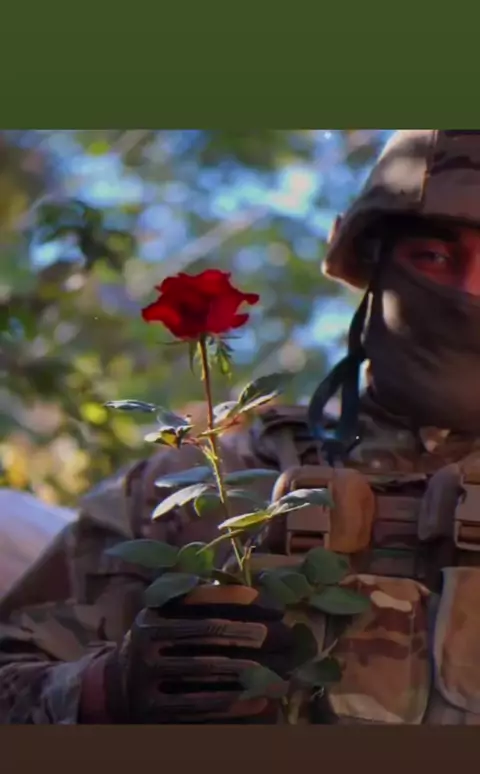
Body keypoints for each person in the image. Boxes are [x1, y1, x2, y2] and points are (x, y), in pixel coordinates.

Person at [2, 128, 480, 725]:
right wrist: (106, 687)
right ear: (375, 265)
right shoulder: (193, 491)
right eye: (433, 256)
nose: (468, 293)